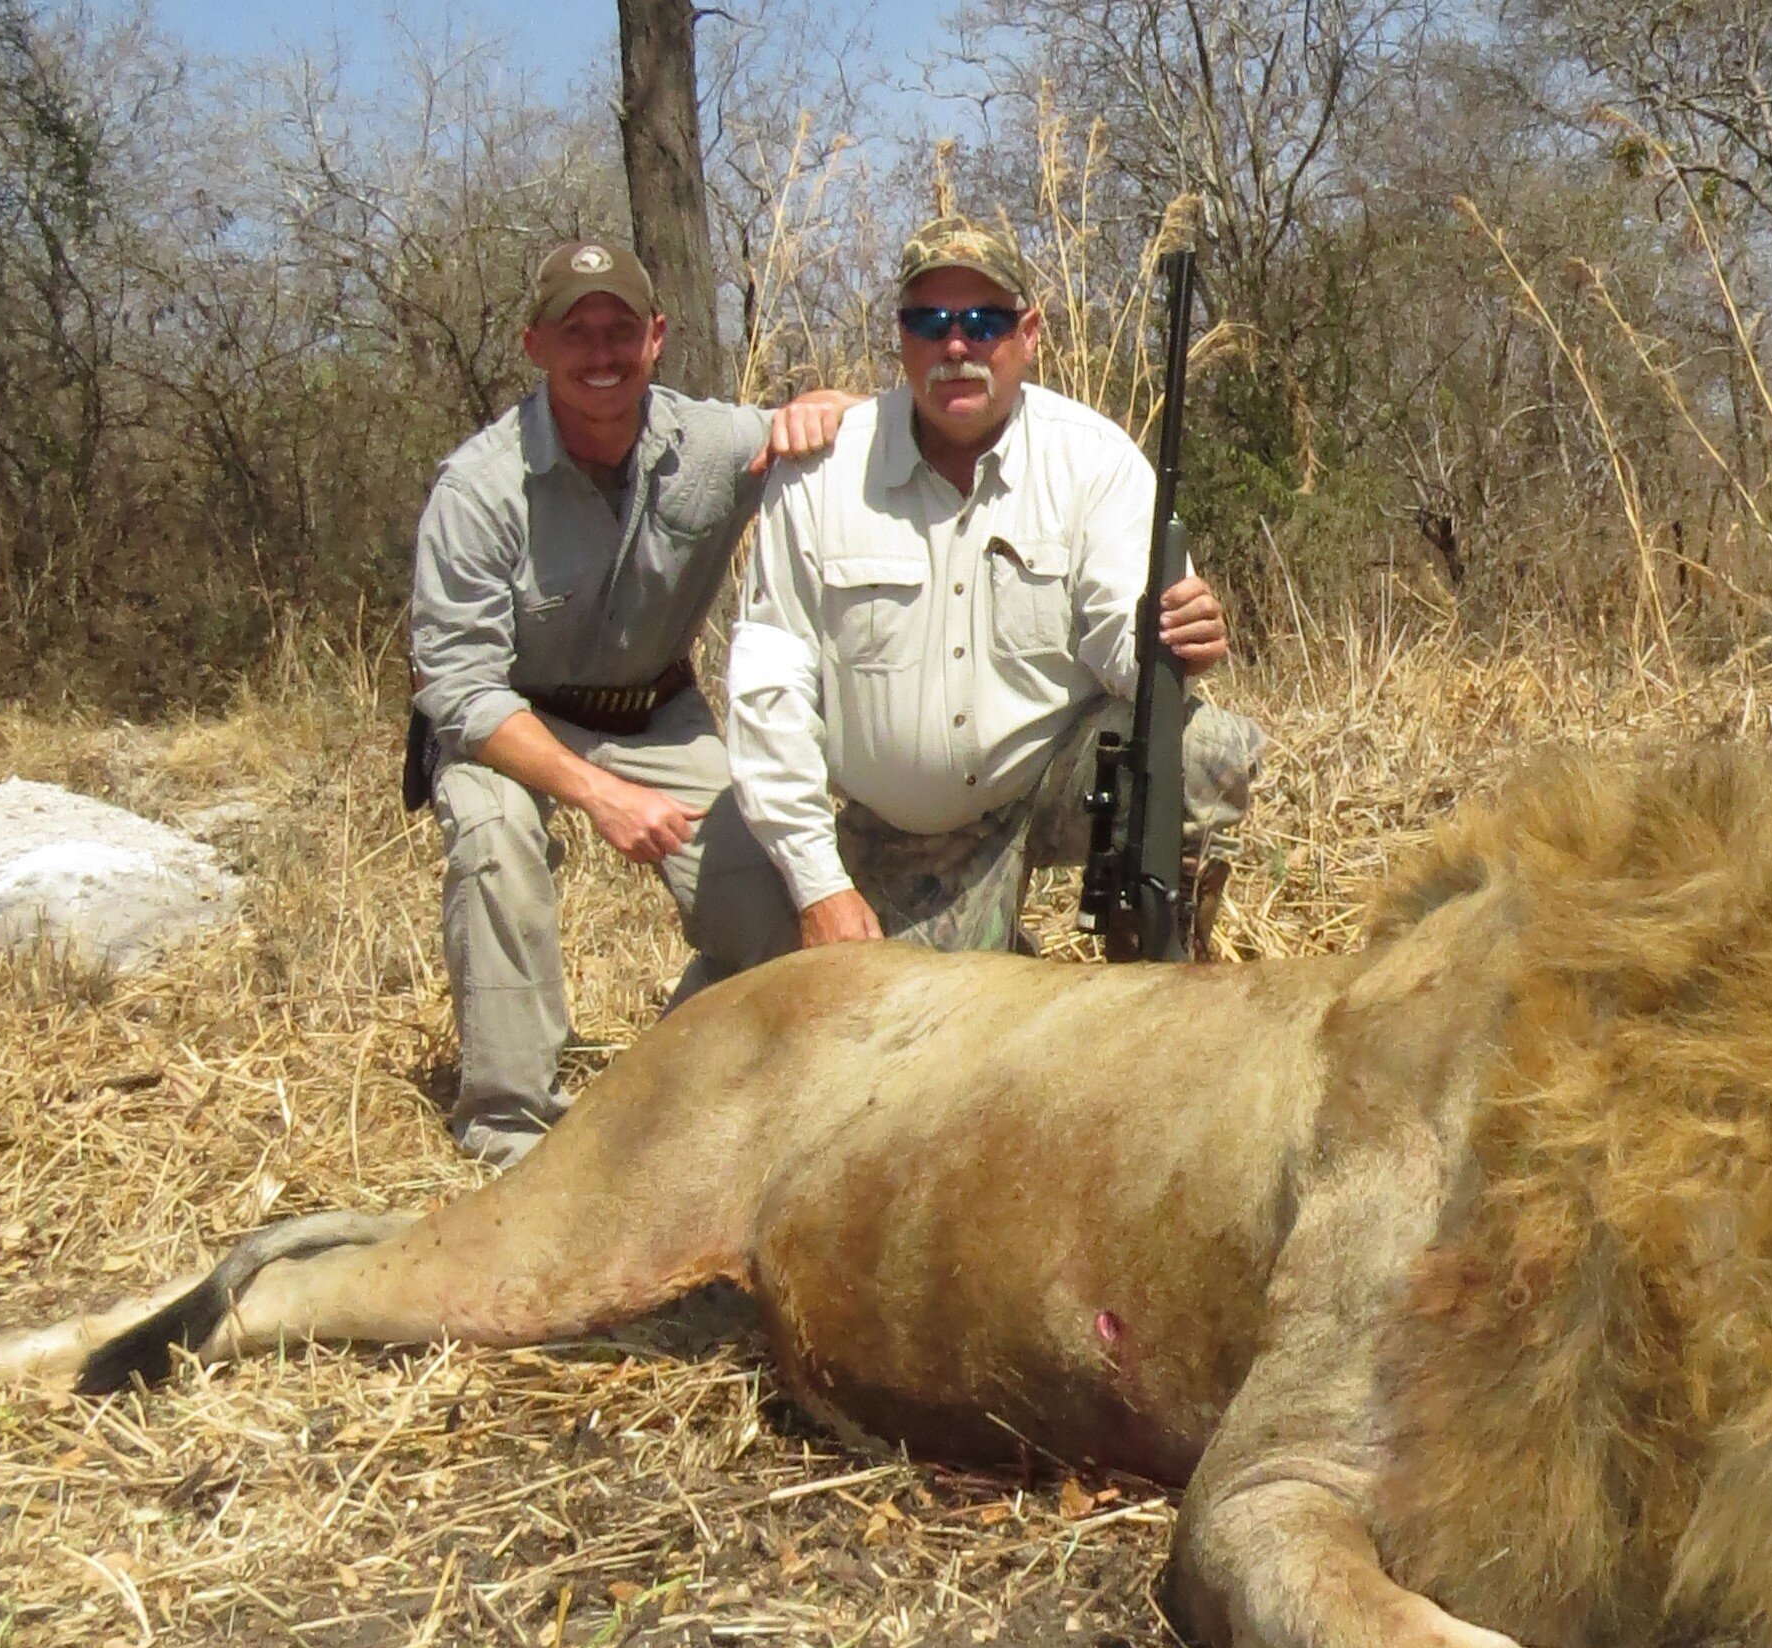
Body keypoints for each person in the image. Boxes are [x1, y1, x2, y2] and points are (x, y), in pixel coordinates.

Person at [410, 239, 858, 1167]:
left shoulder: (713, 443)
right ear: (536, 345)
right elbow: (458, 691)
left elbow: (863, 429)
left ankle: (660, 1085)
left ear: (657, 337)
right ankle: (510, 1128)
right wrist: (601, 797)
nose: (602, 352)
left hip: (657, 715)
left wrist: (831, 409)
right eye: (578, 332)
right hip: (513, 725)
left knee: (777, 901)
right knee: (497, 843)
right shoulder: (477, 487)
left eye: (622, 329)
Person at [723, 215, 1263, 957]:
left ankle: (1152, 959)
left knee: (1203, 746)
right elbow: (769, 694)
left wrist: (1171, 640)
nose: (956, 345)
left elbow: (1121, 647)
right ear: (901, 336)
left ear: (1029, 332)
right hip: (905, 836)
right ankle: (993, 943)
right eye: (930, 321)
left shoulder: (1094, 459)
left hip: (1047, 783)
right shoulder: (818, 472)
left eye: (984, 322)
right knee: (899, 1039)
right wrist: (818, 885)